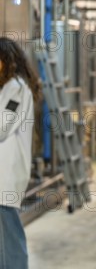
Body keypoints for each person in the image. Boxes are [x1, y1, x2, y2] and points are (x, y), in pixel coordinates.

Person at [0, 37, 40, 269]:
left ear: (7, 60)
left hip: (5, 178)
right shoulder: (7, 88)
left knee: (9, 244)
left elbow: (2, 127)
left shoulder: (15, 88)